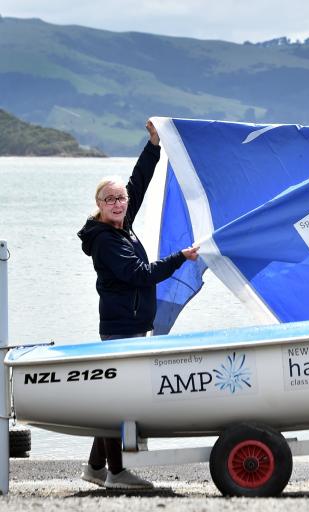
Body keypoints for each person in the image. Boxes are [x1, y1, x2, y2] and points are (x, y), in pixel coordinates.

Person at [77, 120, 199, 490]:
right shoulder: (106, 240)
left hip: (131, 326)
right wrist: (181, 257)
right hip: (120, 329)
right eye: (109, 199)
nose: (118, 203)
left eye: (120, 199)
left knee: (118, 396)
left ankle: (95, 469)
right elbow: (142, 274)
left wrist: (153, 145)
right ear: (98, 205)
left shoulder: (120, 225)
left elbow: (138, 184)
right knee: (118, 401)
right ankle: (115, 473)